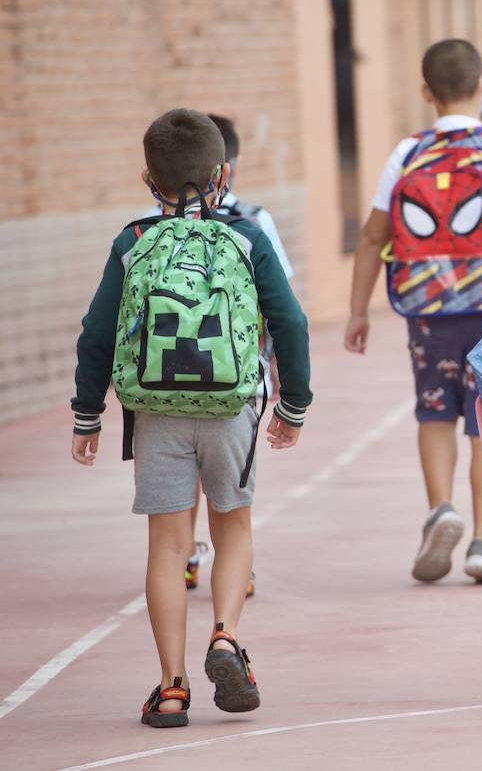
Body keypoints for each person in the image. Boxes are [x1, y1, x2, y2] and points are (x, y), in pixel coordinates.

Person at [71, 109, 311, 727]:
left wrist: (88, 413)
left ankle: (172, 687)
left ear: (148, 179)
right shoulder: (247, 240)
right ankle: (227, 638)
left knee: (168, 545)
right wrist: (293, 405)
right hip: (231, 407)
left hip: (154, 414)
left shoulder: (132, 242)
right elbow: (291, 322)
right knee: (232, 527)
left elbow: (97, 332)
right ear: (223, 173)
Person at [345, 39, 482, 584]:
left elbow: (373, 238)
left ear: (426, 92)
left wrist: (358, 312)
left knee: (434, 410)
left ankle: (441, 508)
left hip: (425, 312)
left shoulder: (406, 152)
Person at [174, 114, 292, 594]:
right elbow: (283, 305)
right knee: (230, 485)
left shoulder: (149, 230)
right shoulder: (254, 222)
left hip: (167, 375)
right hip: (237, 374)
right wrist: (283, 375)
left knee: (184, 472)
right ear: (229, 168)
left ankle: (183, 553)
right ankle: (235, 567)